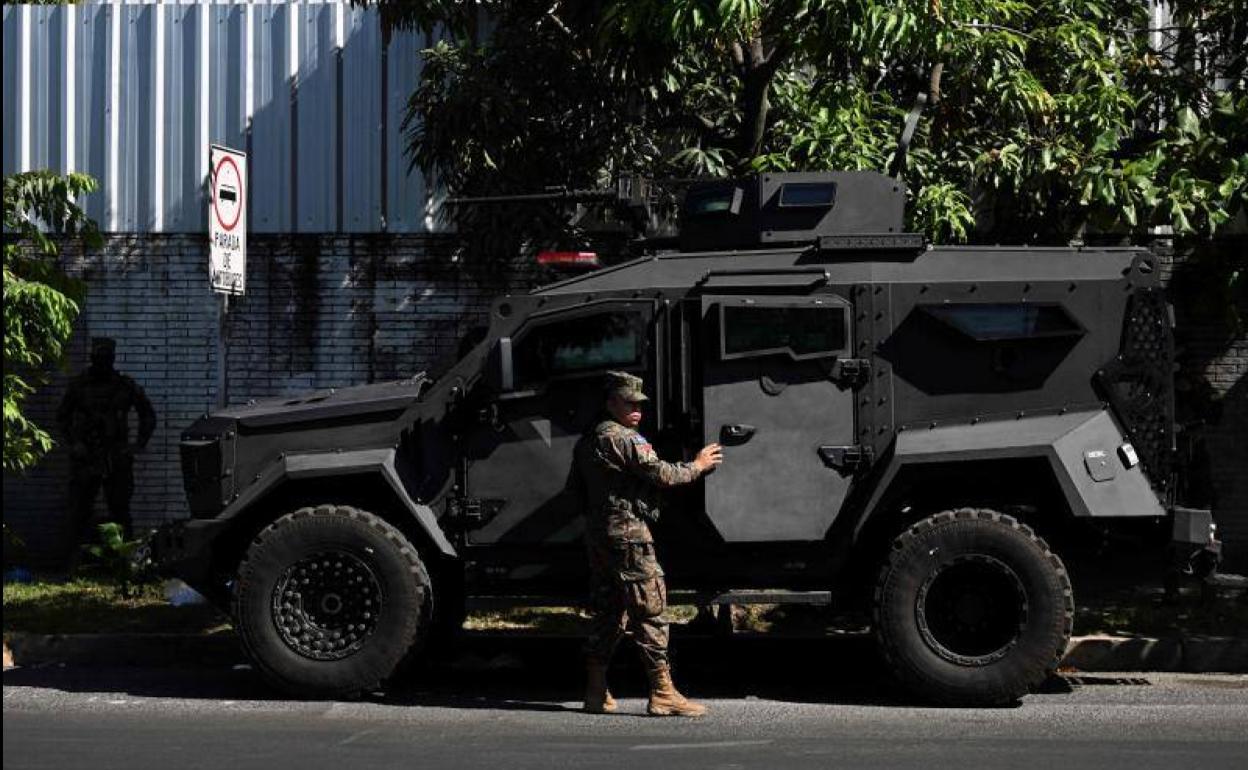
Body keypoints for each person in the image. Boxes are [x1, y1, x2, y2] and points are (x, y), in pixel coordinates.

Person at [567, 370, 723, 717]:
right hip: (630, 536)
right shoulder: (624, 439)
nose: (636, 409)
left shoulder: (587, 440)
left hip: (599, 535)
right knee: (650, 611)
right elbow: (663, 475)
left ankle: (596, 693)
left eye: (639, 404)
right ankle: (663, 692)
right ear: (611, 404)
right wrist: (698, 466)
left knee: (608, 612)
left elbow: (573, 491)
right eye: (629, 403)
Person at [57, 337, 156, 545]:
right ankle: (77, 561)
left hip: (116, 456)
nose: (102, 361)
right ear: (92, 357)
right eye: (98, 356)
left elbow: (147, 414)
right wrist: (75, 443)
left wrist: (137, 445)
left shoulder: (125, 386)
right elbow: (62, 417)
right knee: (79, 510)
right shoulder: (79, 386)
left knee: (119, 509)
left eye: (106, 357)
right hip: (87, 457)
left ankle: (124, 561)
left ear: (112, 358)